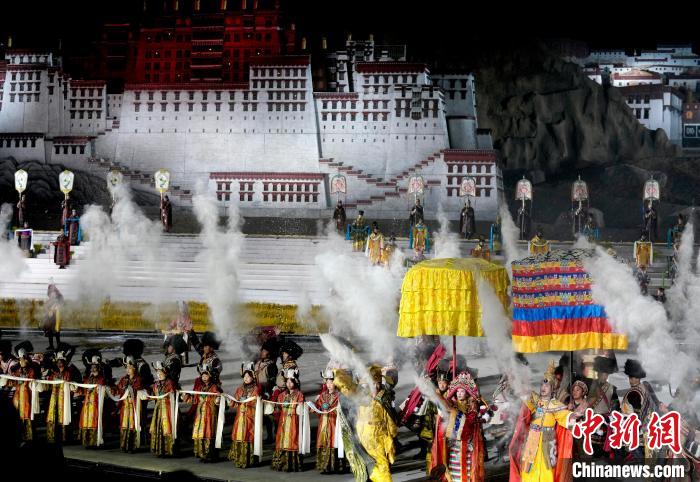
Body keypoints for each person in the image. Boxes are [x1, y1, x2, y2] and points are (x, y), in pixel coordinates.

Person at [509, 361, 577, 482]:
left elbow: (565, 417)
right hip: (532, 437)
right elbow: (523, 392)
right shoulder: (535, 400)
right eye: (542, 385)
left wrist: (574, 416)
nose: (543, 388)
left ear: (553, 389)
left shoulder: (556, 405)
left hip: (548, 439)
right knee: (528, 468)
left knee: (547, 469)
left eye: (547, 386)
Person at [430, 371, 489, 482]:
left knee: (467, 472)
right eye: (457, 391)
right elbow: (443, 415)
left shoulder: (473, 405)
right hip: (454, 445)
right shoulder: (451, 403)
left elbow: (478, 417)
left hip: (468, 445)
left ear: (467, 393)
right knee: (454, 472)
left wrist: (483, 416)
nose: (459, 394)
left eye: (462, 391)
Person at [356, 365, 398, 482]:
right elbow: (360, 417)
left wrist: (391, 434)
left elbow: (389, 419)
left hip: (380, 437)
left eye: (377, 383)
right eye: (373, 384)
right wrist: (359, 433)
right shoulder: (364, 398)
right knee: (368, 465)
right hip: (366, 437)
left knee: (382, 463)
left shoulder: (384, 398)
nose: (375, 386)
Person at [621, 359, 660, 461]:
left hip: (639, 430)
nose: (630, 380)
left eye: (632, 377)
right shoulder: (645, 386)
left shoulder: (633, 392)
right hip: (652, 426)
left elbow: (637, 416)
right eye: (630, 377)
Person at [183, 360, 222, 462]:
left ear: (210, 375)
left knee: (209, 432)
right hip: (200, 415)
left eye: (206, 375)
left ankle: (210, 455)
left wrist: (218, 399)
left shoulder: (214, 387)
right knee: (200, 432)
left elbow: (218, 400)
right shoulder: (200, 387)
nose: (204, 377)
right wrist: (186, 396)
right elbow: (195, 399)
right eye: (203, 375)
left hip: (210, 414)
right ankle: (202, 454)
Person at [270, 368, 306, 472]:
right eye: (287, 382)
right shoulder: (282, 395)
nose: (289, 384)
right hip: (283, 422)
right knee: (282, 440)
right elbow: (278, 408)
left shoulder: (299, 395)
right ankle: (281, 463)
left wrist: (300, 406)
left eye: (291, 381)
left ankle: (292, 464)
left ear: (295, 382)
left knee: (293, 440)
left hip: (294, 422)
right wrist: (273, 406)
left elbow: (301, 410)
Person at [228, 362, 262, 468]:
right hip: (240, 418)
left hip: (250, 417)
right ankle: (239, 458)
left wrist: (249, 400)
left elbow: (256, 402)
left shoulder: (256, 389)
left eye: (248, 376)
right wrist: (229, 401)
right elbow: (234, 403)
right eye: (245, 376)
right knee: (239, 435)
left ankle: (249, 460)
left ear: (253, 377)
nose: (246, 378)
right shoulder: (240, 389)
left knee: (248, 436)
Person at [44, 347, 81, 444]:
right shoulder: (54, 372)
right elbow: (48, 383)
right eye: (58, 361)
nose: (59, 363)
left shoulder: (70, 372)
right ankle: (53, 436)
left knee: (64, 416)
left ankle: (65, 437)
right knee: (53, 416)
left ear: (64, 362)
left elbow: (75, 385)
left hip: (65, 399)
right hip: (54, 398)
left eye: (61, 361)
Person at [586, 356, 619, 458]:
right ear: (598, 373)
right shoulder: (590, 385)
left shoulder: (612, 388)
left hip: (605, 421)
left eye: (606, 373)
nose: (604, 375)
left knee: (603, 447)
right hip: (592, 419)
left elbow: (615, 406)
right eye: (602, 373)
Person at [315, 369, 345, 474]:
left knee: (334, 441)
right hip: (323, 423)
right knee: (323, 441)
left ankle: (336, 466)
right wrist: (314, 406)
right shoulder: (323, 395)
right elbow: (318, 407)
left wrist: (336, 410)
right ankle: (324, 466)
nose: (329, 385)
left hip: (334, 423)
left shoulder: (339, 395)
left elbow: (343, 409)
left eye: (331, 382)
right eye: (327, 382)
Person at [7, 345, 39, 442]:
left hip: (27, 396)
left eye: (22, 359)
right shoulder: (16, 369)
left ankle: (29, 437)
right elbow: (13, 381)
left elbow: (32, 379)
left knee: (27, 415)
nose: (21, 361)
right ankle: (19, 436)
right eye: (20, 359)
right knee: (17, 416)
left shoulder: (32, 369)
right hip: (18, 397)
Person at [113, 356, 144, 452]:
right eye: (126, 368)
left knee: (132, 425)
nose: (127, 370)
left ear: (134, 368)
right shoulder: (123, 379)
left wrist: (132, 389)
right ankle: (124, 445)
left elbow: (139, 390)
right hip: (125, 407)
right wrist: (109, 389)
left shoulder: (138, 379)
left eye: (129, 368)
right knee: (124, 424)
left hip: (133, 406)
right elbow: (118, 390)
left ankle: (133, 446)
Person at [76, 354, 108, 448]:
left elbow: (103, 391)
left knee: (94, 421)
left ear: (98, 368)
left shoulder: (101, 379)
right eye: (91, 367)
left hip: (95, 404)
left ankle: (94, 442)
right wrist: (76, 388)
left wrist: (97, 389)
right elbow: (83, 390)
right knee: (85, 421)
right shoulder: (88, 379)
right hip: (87, 404)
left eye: (94, 367)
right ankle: (87, 441)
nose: (92, 369)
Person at [148, 361, 178, 457]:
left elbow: (173, 394)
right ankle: (160, 450)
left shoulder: (170, 383)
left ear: (165, 373)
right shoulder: (156, 384)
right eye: (157, 373)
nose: (159, 375)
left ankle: (169, 450)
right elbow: (153, 395)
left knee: (167, 428)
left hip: (168, 409)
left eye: (161, 373)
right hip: (159, 408)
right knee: (158, 427)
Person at [255, 338, 279, 443]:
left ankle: (272, 435)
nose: (262, 352)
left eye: (264, 351)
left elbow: (272, 382)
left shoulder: (271, 366)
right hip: (258, 391)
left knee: (269, 415)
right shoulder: (258, 363)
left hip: (267, 393)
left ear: (269, 353)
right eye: (262, 350)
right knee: (260, 415)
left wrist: (267, 392)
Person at [43, 282, 64, 350]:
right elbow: (47, 306)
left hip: (56, 317)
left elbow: (60, 302)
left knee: (57, 331)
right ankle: (51, 345)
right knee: (50, 332)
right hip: (50, 318)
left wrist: (56, 307)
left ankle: (59, 345)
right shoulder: (49, 297)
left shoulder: (58, 296)